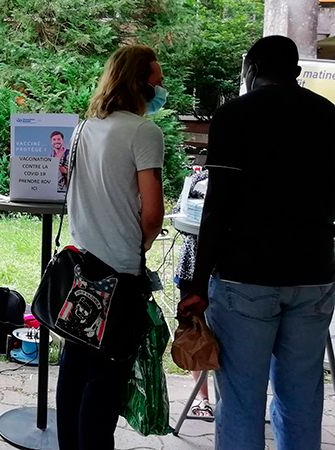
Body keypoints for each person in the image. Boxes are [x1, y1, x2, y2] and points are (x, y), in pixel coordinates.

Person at [178, 35, 335, 450]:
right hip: (314, 275)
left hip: (244, 278)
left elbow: (217, 205)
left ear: (250, 69)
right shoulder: (329, 116)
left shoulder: (235, 116)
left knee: (243, 400)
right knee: (302, 399)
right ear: (296, 73)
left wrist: (196, 285)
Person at [57, 44, 165, 449]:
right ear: (139, 82)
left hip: (81, 270)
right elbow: (152, 214)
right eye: (156, 82)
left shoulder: (84, 127)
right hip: (120, 275)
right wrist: (141, 247)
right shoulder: (144, 133)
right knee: (105, 383)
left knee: (74, 372)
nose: (159, 90)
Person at [173, 168, 212, 418]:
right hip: (192, 264)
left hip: (229, 271)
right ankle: (203, 398)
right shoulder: (197, 179)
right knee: (195, 332)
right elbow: (180, 214)